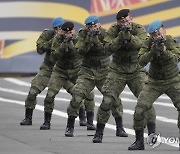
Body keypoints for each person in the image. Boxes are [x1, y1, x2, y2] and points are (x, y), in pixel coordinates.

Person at [92, 9, 156, 143]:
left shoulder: (138, 28)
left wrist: (129, 36)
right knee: (107, 100)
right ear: (118, 22)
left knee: (146, 101)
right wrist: (121, 36)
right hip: (117, 69)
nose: (125, 23)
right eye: (122, 21)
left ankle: (152, 134)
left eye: (126, 20)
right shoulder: (113, 30)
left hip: (136, 69)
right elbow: (108, 49)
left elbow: (143, 44)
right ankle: (99, 132)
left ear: (130, 18)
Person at [64, 15, 127, 137]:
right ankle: (70, 126)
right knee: (77, 96)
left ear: (99, 25)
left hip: (104, 71)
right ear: (86, 27)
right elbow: (79, 52)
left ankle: (120, 127)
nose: (92, 28)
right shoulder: (83, 35)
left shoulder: (105, 34)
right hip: (87, 71)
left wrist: (96, 40)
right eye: (89, 26)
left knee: (113, 98)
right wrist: (88, 40)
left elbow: (107, 51)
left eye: (94, 25)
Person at [128, 20, 180, 150]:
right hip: (154, 82)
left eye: (158, 33)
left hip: (172, 80)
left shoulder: (170, 41)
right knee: (140, 109)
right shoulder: (148, 43)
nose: (155, 36)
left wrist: (162, 50)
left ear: (164, 31)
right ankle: (139, 141)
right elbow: (140, 61)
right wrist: (152, 51)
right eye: (153, 35)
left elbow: (175, 60)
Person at [39, 21, 95, 130]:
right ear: (62, 32)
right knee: (50, 94)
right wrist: (63, 45)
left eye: (70, 32)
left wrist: (70, 44)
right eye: (65, 32)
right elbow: (53, 56)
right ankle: (47, 121)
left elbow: (79, 53)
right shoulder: (57, 39)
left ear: (73, 30)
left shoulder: (78, 38)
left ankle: (89, 122)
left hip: (76, 69)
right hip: (60, 70)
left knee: (88, 94)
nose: (68, 34)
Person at [20, 17, 64, 126]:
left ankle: (84, 118)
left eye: (60, 28)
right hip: (47, 68)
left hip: (64, 69)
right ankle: (28, 117)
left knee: (77, 93)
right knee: (33, 91)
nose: (58, 30)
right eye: (56, 28)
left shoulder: (71, 36)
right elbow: (40, 50)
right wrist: (53, 40)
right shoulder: (47, 35)